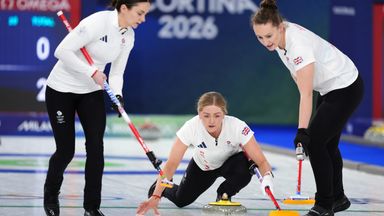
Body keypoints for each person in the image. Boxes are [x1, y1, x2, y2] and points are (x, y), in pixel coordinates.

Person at [251, 1, 364, 216]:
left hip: (345, 86)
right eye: (260, 37)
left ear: (280, 27)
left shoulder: (297, 45)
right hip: (329, 88)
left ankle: (324, 205)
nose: (265, 42)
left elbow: (305, 93)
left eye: (268, 36)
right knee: (327, 144)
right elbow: (301, 82)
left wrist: (302, 132)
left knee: (316, 142)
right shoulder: (279, 41)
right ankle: (338, 198)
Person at [43, 0, 150, 215]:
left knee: (96, 149)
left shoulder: (128, 36)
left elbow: (117, 72)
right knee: (66, 151)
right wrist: (91, 72)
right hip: (60, 90)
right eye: (139, 13)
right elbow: (61, 51)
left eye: (145, 14)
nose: (143, 19)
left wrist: (117, 95)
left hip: (90, 93)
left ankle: (92, 208)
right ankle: (51, 197)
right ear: (123, 8)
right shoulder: (96, 23)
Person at [136, 91, 274, 215]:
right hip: (204, 167)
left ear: (224, 114)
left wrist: (267, 178)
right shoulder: (191, 127)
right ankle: (165, 188)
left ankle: (224, 195)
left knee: (246, 167)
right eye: (206, 115)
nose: (211, 121)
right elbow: (171, 164)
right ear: (199, 114)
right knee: (181, 200)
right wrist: (156, 196)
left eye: (217, 115)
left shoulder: (238, 126)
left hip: (231, 164)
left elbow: (261, 161)